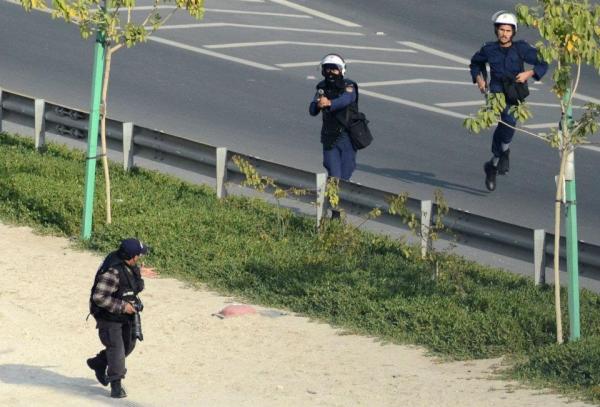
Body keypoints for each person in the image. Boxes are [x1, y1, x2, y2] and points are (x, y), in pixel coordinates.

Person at [469, 10, 548, 191]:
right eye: (501, 30)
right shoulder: (489, 48)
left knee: (508, 125)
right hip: (496, 93)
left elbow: (543, 62)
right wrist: (480, 79)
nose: (504, 34)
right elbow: (475, 63)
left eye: (508, 30)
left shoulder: (521, 48)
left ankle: (494, 164)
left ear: (514, 32)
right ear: (496, 30)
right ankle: (503, 154)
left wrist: (529, 73)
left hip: (514, 92)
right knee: (506, 122)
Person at [86, 238, 154, 398]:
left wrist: (139, 272)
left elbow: (129, 277)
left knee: (128, 345)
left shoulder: (126, 263)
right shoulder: (112, 272)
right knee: (116, 348)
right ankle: (116, 384)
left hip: (125, 315)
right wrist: (124, 307)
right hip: (108, 315)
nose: (139, 258)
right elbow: (99, 297)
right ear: (131, 256)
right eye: (138, 255)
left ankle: (99, 363)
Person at [309, 53, 360, 218]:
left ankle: (338, 211)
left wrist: (330, 103)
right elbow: (312, 110)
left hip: (347, 138)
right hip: (330, 139)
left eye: (334, 69)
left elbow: (345, 100)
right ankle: (334, 215)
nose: (331, 73)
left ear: (341, 70)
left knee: (345, 176)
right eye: (327, 69)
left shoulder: (349, 86)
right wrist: (318, 103)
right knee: (334, 175)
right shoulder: (321, 87)